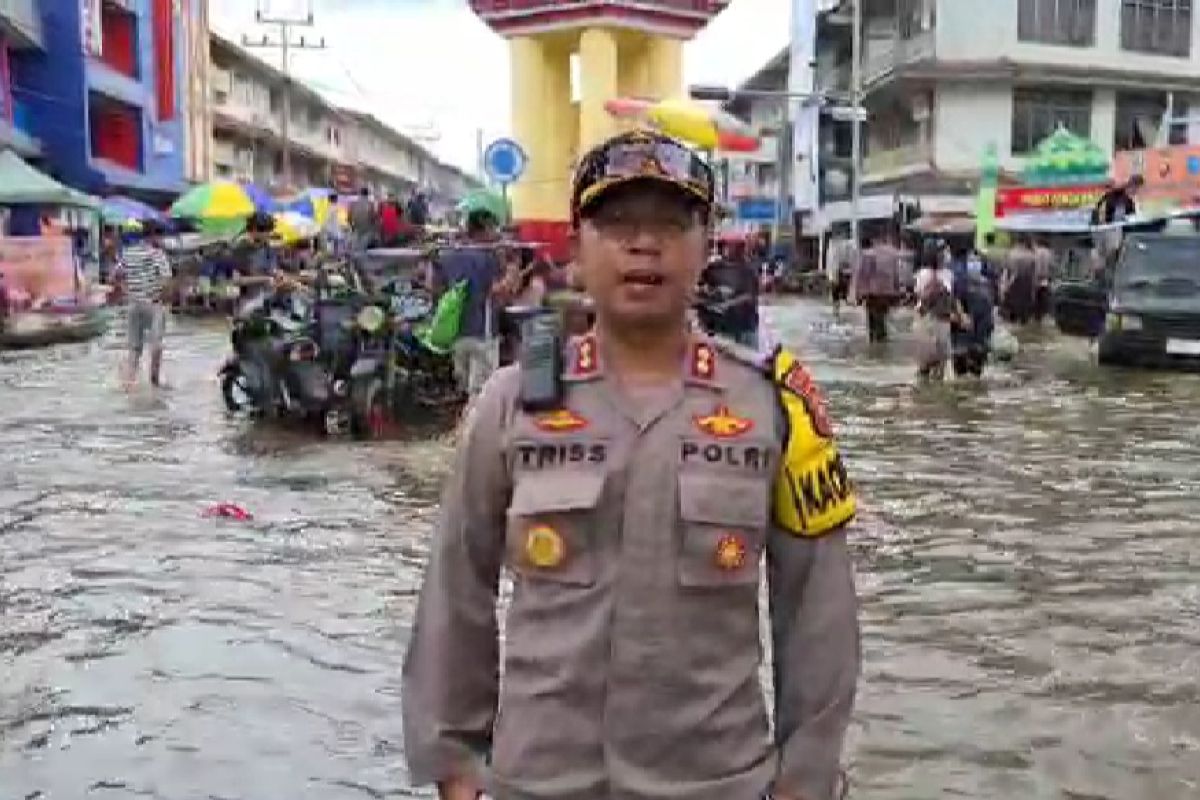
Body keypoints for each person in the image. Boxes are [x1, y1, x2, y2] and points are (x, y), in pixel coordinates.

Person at [402, 129, 860, 800]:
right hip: (537, 781)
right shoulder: (512, 400)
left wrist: (804, 782)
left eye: (671, 224)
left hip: (717, 784)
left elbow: (818, 613)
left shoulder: (775, 404)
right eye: (617, 223)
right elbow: (456, 585)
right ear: (576, 247)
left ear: (706, 245)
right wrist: (455, 765)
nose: (643, 244)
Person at [432, 209, 503, 398]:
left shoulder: (449, 255)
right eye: (493, 228)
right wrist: (511, 276)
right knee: (481, 395)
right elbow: (495, 292)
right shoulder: (488, 257)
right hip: (482, 333)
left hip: (457, 333)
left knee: (466, 392)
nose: (496, 233)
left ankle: (465, 424)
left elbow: (435, 286)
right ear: (484, 229)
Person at [115, 221, 172, 388]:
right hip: (153, 305)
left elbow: (115, 276)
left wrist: (126, 291)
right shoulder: (157, 254)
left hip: (133, 305)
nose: (162, 240)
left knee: (134, 349)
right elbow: (167, 280)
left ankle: (128, 383)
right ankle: (154, 382)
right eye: (161, 237)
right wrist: (161, 297)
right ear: (153, 237)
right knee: (156, 345)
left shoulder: (128, 254)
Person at [697, 239, 760, 347]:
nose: (734, 250)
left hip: (745, 326)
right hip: (719, 327)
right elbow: (698, 288)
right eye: (729, 246)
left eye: (738, 247)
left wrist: (726, 304)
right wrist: (708, 294)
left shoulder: (749, 270)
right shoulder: (713, 268)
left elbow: (750, 295)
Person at [914, 242, 956, 380]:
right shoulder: (945, 275)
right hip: (936, 318)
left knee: (935, 357)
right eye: (944, 253)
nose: (946, 256)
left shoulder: (923, 274)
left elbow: (919, 294)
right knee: (937, 357)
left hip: (930, 317)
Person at [854, 231, 901, 343]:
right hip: (887, 293)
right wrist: (897, 292)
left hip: (873, 294)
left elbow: (862, 275)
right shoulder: (892, 253)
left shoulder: (868, 254)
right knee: (882, 321)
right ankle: (882, 346)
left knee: (873, 325)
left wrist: (858, 294)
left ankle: (876, 349)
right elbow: (896, 275)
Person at [348, 187, 377, 252]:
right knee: (363, 249)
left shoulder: (353, 204)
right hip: (367, 230)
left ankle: (356, 260)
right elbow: (373, 218)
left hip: (356, 229)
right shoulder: (370, 204)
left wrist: (352, 226)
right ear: (367, 195)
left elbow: (349, 217)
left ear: (360, 194)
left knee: (355, 249)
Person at [1032, 237, 1054, 321]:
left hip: (1037, 280)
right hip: (1046, 280)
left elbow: (1035, 266)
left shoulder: (1036, 252)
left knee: (1036, 301)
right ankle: (1042, 316)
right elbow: (1052, 267)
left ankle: (1036, 317)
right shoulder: (1049, 253)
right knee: (1044, 302)